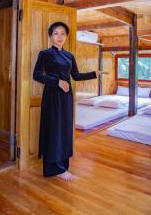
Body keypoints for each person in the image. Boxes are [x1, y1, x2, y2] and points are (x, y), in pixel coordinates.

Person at [33, 21, 102, 181]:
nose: (60, 36)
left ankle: (62, 166)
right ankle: (54, 168)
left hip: (67, 97)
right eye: (56, 33)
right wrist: (56, 82)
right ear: (50, 36)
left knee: (64, 130)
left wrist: (94, 73)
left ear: (66, 36)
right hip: (52, 95)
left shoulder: (69, 55)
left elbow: (76, 76)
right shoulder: (45, 54)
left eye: (63, 33)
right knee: (54, 130)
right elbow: (36, 75)